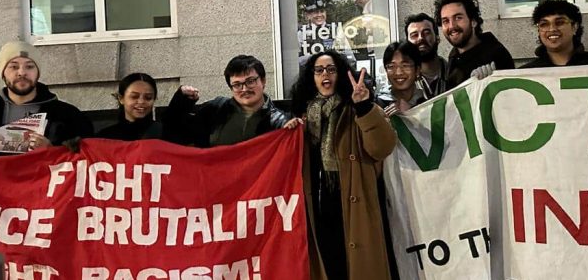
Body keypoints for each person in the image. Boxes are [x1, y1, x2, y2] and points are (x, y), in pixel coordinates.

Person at [289, 50, 396, 280]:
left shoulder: (356, 109)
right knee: (328, 264)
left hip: (352, 198)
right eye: (319, 70)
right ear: (311, 76)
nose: (325, 74)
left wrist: (364, 107)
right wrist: (289, 132)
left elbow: (382, 147)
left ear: (340, 74)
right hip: (317, 204)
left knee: (356, 266)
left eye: (331, 69)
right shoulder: (304, 117)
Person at [0, 41, 93, 155]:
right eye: (13, 67)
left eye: (29, 67)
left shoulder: (70, 117)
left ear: (38, 72)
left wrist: (52, 151)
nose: (22, 72)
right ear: (3, 73)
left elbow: (86, 162)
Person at [163, 55, 298, 147]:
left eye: (250, 81)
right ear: (231, 87)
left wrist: (293, 129)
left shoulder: (280, 121)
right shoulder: (215, 109)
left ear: (263, 81)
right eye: (237, 84)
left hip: (260, 188)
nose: (244, 89)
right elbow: (174, 130)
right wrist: (182, 100)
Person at [434, 0, 515, 89]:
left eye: (458, 18)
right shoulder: (454, 57)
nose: (452, 26)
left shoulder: (496, 55)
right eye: (445, 21)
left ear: (473, 22)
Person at [520, 0, 588, 68]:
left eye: (559, 22)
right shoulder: (527, 73)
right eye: (544, 24)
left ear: (574, 27)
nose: (552, 29)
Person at [96, 73, 163, 141]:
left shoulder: (165, 134)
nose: (141, 101)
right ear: (121, 98)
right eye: (134, 97)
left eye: (148, 98)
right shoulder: (105, 138)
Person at [376, 41, 430, 116]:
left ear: (417, 70)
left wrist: (412, 114)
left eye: (405, 65)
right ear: (386, 70)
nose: (398, 72)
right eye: (391, 66)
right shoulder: (377, 105)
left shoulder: (429, 104)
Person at [403, 13, 449, 97]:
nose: (420, 38)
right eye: (414, 35)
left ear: (437, 38)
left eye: (426, 33)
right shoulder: (403, 82)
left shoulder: (456, 73)